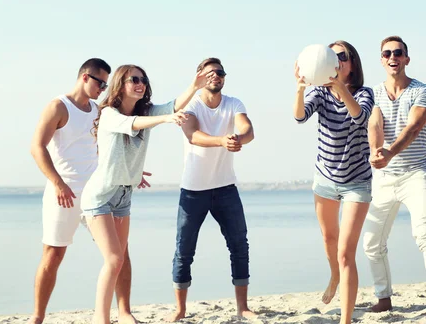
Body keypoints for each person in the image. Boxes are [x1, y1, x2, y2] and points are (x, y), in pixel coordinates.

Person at [80, 64, 213, 324]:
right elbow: (134, 123)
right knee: (114, 259)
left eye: (143, 80)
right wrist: (165, 119)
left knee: (120, 260)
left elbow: (172, 107)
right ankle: (100, 319)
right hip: (99, 198)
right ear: (121, 83)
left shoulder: (146, 111)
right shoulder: (108, 113)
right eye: (134, 80)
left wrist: (195, 87)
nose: (140, 83)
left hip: (123, 197)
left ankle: (124, 313)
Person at [166, 58, 256, 322]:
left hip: (226, 187)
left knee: (239, 245)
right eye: (210, 73)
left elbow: (247, 129)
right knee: (184, 250)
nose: (216, 76)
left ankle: (243, 307)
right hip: (193, 191)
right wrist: (221, 141)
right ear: (199, 77)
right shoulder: (190, 105)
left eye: (220, 72)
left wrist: (238, 138)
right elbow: (192, 134)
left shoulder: (233, 103)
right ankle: (180, 310)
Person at [363, 35, 426, 314]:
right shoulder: (374, 92)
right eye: (387, 53)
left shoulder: (423, 90)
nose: (392, 57)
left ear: (406, 59)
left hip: (415, 174)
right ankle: (384, 298)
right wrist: (377, 151)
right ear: (381, 60)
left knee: (424, 232)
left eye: (398, 53)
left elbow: (412, 129)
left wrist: (389, 153)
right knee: (372, 243)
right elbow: (374, 123)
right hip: (385, 179)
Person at [294, 41, 374, 324]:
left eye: (341, 56)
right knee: (329, 239)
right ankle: (334, 276)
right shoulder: (319, 94)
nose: (336, 61)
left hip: (356, 182)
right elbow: (300, 116)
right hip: (325, 178)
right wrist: (301, 87)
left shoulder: (365, 93)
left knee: (345, 252)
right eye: (332, 56)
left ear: (352, 63)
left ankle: (346, 319)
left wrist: (340, 87)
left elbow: (359, 116)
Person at [29, 58, 111, 324]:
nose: (104, 89)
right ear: (85, 77)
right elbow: (37, 147)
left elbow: (105, 150)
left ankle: (125, 312)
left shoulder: (98, 111)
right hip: (62, 193)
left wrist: (129, 172)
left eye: (106, 85)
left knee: (117, 253)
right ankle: (38, 317)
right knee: (53, 254)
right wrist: (58, 183)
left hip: (96, 194)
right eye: (101, 83)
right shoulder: (58, 106)